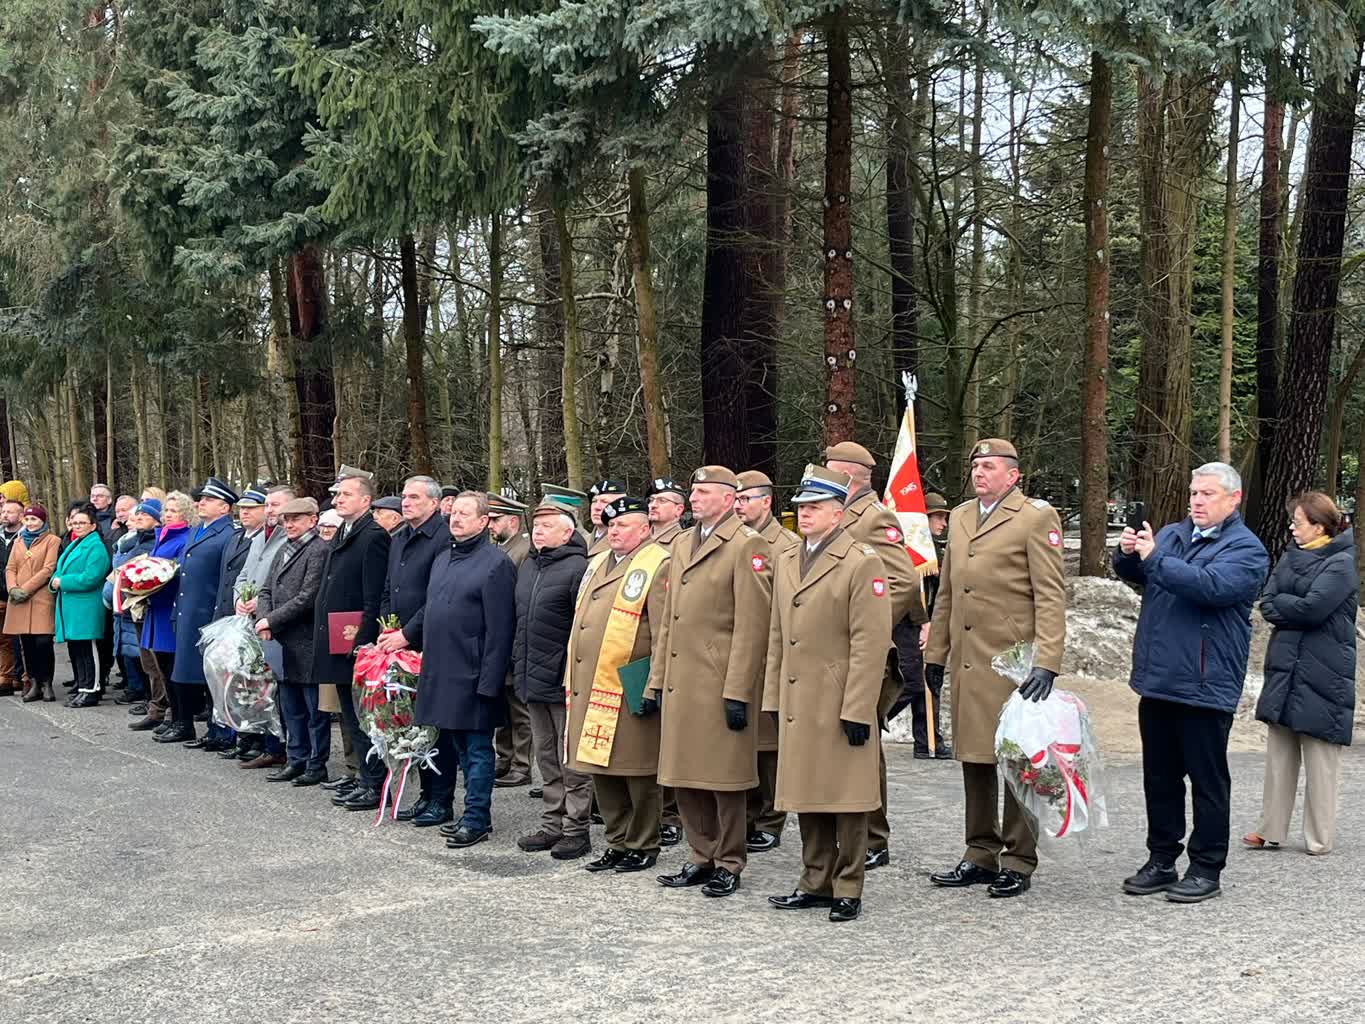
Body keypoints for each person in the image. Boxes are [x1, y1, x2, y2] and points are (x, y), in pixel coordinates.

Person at [1114, 461, 1269, 903]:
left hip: (1206, 682)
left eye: (1207, 494)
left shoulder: (1247, 549)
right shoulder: (1171, 535)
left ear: (1234, 499)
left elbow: (1210, 586)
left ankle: (1206, 867)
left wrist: (1154, 557)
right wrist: (1128, 554)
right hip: (1159, 677)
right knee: (1159, 778)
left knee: (1207, 780)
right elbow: (1143, 575)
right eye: (1194, 493)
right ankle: (1162, 859)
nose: (1196, 501)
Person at [925, 438, 1066, 900]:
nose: (979, 472)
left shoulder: (1035, 517)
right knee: (975, 758)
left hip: (1013, 665)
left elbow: (1050, 596)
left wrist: (1047, 662)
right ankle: (979, 852)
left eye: (989, 466)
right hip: (970, 660)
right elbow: (948, 592)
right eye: (976, 465)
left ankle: (1019, 858)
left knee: (1017, 761)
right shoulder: (962, 516)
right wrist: (936, 654)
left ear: (1013, 475)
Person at [763, 466, 892, 923]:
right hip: (799, 698)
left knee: (847, 797)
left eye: (815, 507)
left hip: (838, 698)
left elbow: (870, 643)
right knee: (807, 792)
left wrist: (858, 708)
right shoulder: (787, 559)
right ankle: (814, 880)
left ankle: (848, 885)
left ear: (838, 513)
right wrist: (772, 697)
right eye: (801, 507)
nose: (805, 514)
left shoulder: (861, 561)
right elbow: (777, 635)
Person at [648, 466, 772, 899]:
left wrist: (738, 690)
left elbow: (752, 626)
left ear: (728, 499)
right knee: (684, 774)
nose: (695, 498)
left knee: (724, 778)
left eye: (704, 492)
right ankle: (701, 855)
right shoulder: (684, 542)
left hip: (719, 682)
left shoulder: (746, 544)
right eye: (693, 491)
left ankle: (729, 861)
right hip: (682, 680)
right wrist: (656, 681)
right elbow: (669, 620)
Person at [825, 440, 926, 870]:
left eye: (828, 470)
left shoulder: (873, 517)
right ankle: (847, 831)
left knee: (862, 745)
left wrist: (867, 623)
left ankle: (873, 837)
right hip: (830, 651)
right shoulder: (833, 514)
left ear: (846, 476)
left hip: (860, 649)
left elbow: (903, 581)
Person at [1244, 493, 1357, 857]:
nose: (1292, 528)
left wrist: (1286, 605)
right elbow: (1267, 603)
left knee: (1321, 758)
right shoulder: (1290, 556)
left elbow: (1312, 610)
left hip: (1325, 671)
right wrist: (1289, 606)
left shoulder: (1341, 563)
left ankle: (1318, 837)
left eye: (1298, 522)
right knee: (1280, 754)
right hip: (1285, 666)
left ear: (1319, 526)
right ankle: (1270, 829)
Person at [568, 495, 671, 874]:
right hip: (591, 682)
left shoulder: (658, 563)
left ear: (644, 529)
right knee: (601, 766)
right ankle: (616, 840)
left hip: (630, 683)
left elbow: (664, 632)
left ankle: (643, 843)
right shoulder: (598, 562)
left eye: (623, 525)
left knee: (636, 768)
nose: (614, 531)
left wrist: (654, 683)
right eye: (611, 525)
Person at [415, 491, 516, 849]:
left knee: (477, 751)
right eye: (453, 513)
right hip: (442, 671)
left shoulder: (496, 564)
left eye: (464, 514)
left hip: (474, 674)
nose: (455, 519)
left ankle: (476, 819)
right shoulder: (443, 558)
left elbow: (501, 631)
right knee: (458, 749)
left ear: (484, 521)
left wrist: (489, 682)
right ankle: (468, 813)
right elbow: (432, 610)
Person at [513, 502, 591, 859]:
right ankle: (551, 824)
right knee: (545, 756)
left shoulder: (578, 568)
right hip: (531, 678)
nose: (539, 531)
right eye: (537, 525)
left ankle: (576, 829)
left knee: (570, 759)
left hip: (562, 681)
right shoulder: (530, 566)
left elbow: (582, 629)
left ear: (567, 532)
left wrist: (569, 673)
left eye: (547, 526)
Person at [377, 476, 455, 825]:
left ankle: (442, 799)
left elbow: (436, 596)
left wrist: (407, 634)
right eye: (404, 497)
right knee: (412, 722)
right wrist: (388, 627)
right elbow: (388, 589)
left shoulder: (443, 538)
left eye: (414, 497)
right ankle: (425, 795)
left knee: (437, 725)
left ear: (434, 503)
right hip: (398, 642)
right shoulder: (399, 537)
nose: (405, 502)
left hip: (429, 644)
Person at [313, 466, 392, 811]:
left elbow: (373, 596)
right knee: (350, 715)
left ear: (366, 500)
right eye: (337, 495)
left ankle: (375, 784)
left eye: (346, 494)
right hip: (337, 640)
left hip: (356, 643)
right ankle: (364, 779)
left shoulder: (373, 536)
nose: (338, 500)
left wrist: (363, 640)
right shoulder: (345, 531)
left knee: (364, 718)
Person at [736, 469, 800, 854]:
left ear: (766, 501)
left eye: (746, 499)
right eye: (736, 499)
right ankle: (745, 815)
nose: (739, 506)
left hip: (771, 655)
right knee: (743, 740)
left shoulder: (787, 545)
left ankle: (770, 819)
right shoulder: (736, 540)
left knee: (769, 744)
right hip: (739, 653)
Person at [255, 497, 330, 786]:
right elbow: (265, 589)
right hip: (282, 641)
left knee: (313, 709)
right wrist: (265, 620)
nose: (289, 524)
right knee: (290, 707)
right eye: (286, 520)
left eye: (296, 519)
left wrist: (271, 621)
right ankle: (296, 758)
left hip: (307, 640)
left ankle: (315, 763)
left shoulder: (318, 550)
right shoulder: (283, 549)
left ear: (313, 520)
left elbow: (308, 597)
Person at [170, 478, 239, 748]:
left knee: (215, 677)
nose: (201, 503)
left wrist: (218, 616)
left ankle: (221, 731)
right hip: (188, 612)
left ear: (224, 507)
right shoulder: (197, 530)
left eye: (209, 500)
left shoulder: (227, 534)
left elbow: (225, 579)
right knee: (192, 674)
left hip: (209, 614)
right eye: (201, 499)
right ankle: (208, 729)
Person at [133, 492, 195, 737]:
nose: (168, 514)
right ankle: (172, 715)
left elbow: (176, 572)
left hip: (169, 608)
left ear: (186, 514)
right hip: (156, 607)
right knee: (160, 666)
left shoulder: (185, 538)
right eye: (166, 510)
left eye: (174, 511)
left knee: (172, 667)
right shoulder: (163, 535)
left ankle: (180, 719)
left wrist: (150, 583)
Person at [487, 493, 536, 790]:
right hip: (499, 638)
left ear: (513, 522)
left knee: (519, 708)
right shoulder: (500, 549)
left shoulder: (524, 551)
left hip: (515, 637)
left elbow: (520, 598)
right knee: (502, 705)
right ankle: (504, 758)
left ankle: (521, 764)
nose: (490, 525)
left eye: (496, 520)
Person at [901, 491, 951, 758]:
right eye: (938, 517)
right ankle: (874, 721)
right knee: (911, 683)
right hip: (911, 624)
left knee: (931, 680)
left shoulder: (936, 552)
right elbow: (909, 591)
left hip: (932, 623)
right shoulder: (911, 551)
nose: (943, 523)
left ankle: (928, 740)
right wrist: (923, 623)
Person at [51, 503, 112, 708]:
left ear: (93, 525)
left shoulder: (96, 547)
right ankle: (83, 688)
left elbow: (91, 577)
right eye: (74, 522)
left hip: (86, 606)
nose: (77, 526)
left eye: (82, 523)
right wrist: (55, 580)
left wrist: (63, 582)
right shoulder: (75, 543)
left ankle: (92, 690)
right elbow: (60, 568)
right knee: (78, 650)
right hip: (72, 606)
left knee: (88, 650)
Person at [103, 500, 160, 709]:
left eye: (143, 516)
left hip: (139, 603)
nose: (135, 520)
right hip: (124, 604)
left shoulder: (151, 542)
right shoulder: (130, 541)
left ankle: (150, 698)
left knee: (148, 657)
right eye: (137, 516)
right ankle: (144, 694)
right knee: (137, 654)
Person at [6, 505, 60, 703]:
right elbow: (10, 567)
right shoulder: (19, 541)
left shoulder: (52, 540)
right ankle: (34, 683)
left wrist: (26, 589)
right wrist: (13, 588)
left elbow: (48, 568)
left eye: (34, 520)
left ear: (42, 521)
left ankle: (47, 683)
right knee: (26, 643)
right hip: (18, 598)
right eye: (27, 520)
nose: (30, 523)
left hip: (40, 597)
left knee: (43, 642)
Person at [0, 498, 25, 696]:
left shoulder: (27, 537)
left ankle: (26, 678)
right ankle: (5, 678)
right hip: (0, 595)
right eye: (3, 511)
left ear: (21, 515)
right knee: (3, 640)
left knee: (23, 640)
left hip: (20, 594)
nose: (5, 515)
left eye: (10, 512)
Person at [586, 480, 627, 555]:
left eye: (604, 502)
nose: (597, 507)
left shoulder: (626, 543)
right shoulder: (582, 540)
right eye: (594, 501)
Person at [646, 477, 687, 548]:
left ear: (678, 509)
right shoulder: (639, 539)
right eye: (651, 500)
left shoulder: (684, 543)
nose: (653, 505)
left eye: (662, 500)